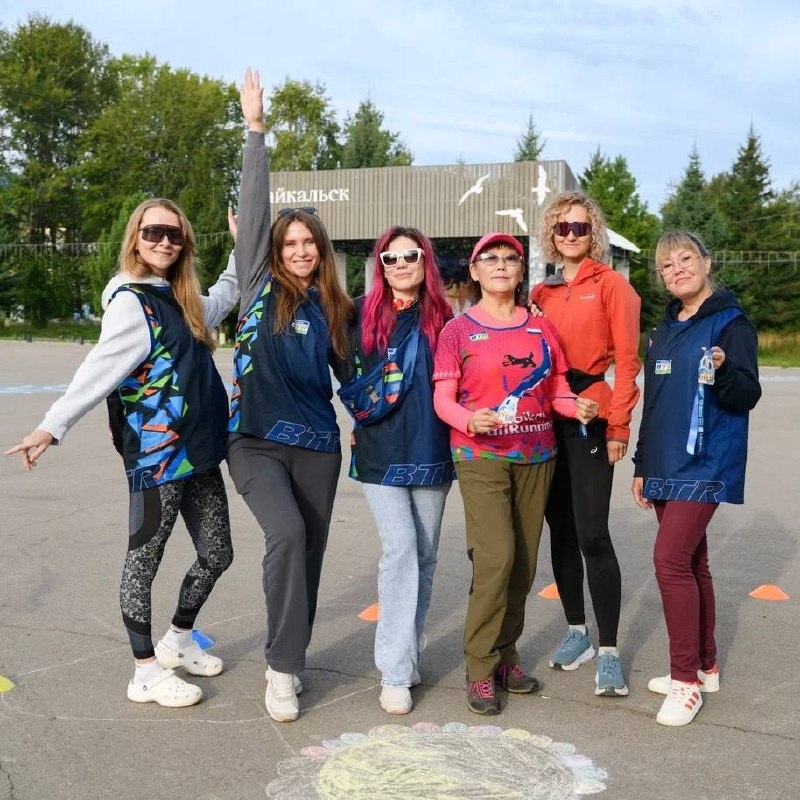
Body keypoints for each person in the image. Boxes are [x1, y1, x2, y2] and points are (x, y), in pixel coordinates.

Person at [5, 198, 239, 707]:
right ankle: (144, 673)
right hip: (158, 454)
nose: (164, 242)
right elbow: (97, 369)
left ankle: (178, 640)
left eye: (174, 234)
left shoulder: (180, 297)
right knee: (143, 561)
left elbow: (225, 295)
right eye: (154, 232)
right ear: (135, 237)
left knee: (218, 553)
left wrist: (242, 246)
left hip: (199, 451)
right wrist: (51, 426)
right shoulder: (132, 302)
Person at [226, 69, 353, 723]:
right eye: (290, 243)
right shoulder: (257, 285)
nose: (300, 250)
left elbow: (356, 382)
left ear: (321, 250)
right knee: (286, 533)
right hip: (254, 442)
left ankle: (292, 657)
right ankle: (280, 669)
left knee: (310, 553)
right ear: (275, 250)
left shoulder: (334, 308)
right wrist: (256, 130)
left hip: (318, 448)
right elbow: (254, 209)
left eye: (309, 243)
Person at [432, 232, 598, 715]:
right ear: (475, 271)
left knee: (522, 564)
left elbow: (557, 389)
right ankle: (480, 668)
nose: (501, 265)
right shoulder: (457, 331)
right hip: (480, 455)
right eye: (491, 258)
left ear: (521, 270)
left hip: (537, 455)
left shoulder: (541, 328)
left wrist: (577, 406)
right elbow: (443, 398)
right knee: (496, 558)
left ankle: (506, 656)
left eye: (510, 258)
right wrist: (470, 420)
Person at [632, 230, 761, 726]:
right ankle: (705, 668)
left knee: (669, 561)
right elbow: (655, 403)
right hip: (664, 463)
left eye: (686, 258)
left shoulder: (731, 323)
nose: (677, 269)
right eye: (667, 265)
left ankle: (684, 682)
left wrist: (725, 370)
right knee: (692, 562)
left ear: (707, 263)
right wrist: (642, 465)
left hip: (706, 462)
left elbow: (746, 396)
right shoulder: (663, 330)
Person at [530, 190, 641, 697]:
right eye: (562, 227)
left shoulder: (613, 285)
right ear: (551, 234)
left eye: (580, 227)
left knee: (593, 532)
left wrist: (618, 426)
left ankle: (610, 650)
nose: (571, 235)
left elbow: (628, 362)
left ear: (592, 232)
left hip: (592, 420)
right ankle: (577, 632)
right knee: (560, 530)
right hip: (546, 421)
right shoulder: (542, 292)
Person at [339, 227, 454, 715]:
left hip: (432, 447)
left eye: (411, 255)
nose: (402, 264)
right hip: (379, 449)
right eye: (391, 258)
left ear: (425, 262)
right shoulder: (357, 313)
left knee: (424, 556)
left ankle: (406, 654)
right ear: (380, 265)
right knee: (401, 549)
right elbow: (338, 366)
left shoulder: (446, 318)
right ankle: (394, 671)